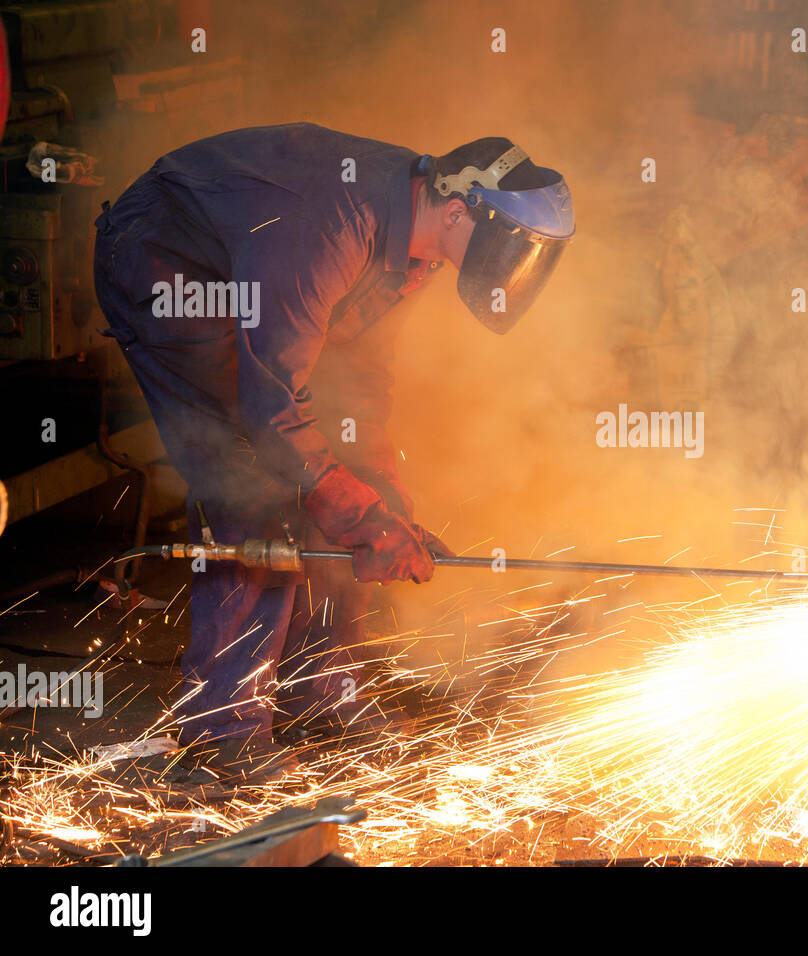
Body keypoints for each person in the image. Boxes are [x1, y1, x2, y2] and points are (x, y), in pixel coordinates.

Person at [93, 123, 574, 782]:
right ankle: (223, 733)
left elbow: (363, 374)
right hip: (170, 265)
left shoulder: (415, 248)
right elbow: (271, 411)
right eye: (508, 245)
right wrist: (354, 512)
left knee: (342, 482)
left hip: (260, 281)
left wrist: (378, 498)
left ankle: (321, 689)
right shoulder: (325, 231)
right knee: (253, 479)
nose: (508, 265)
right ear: (458, 211)